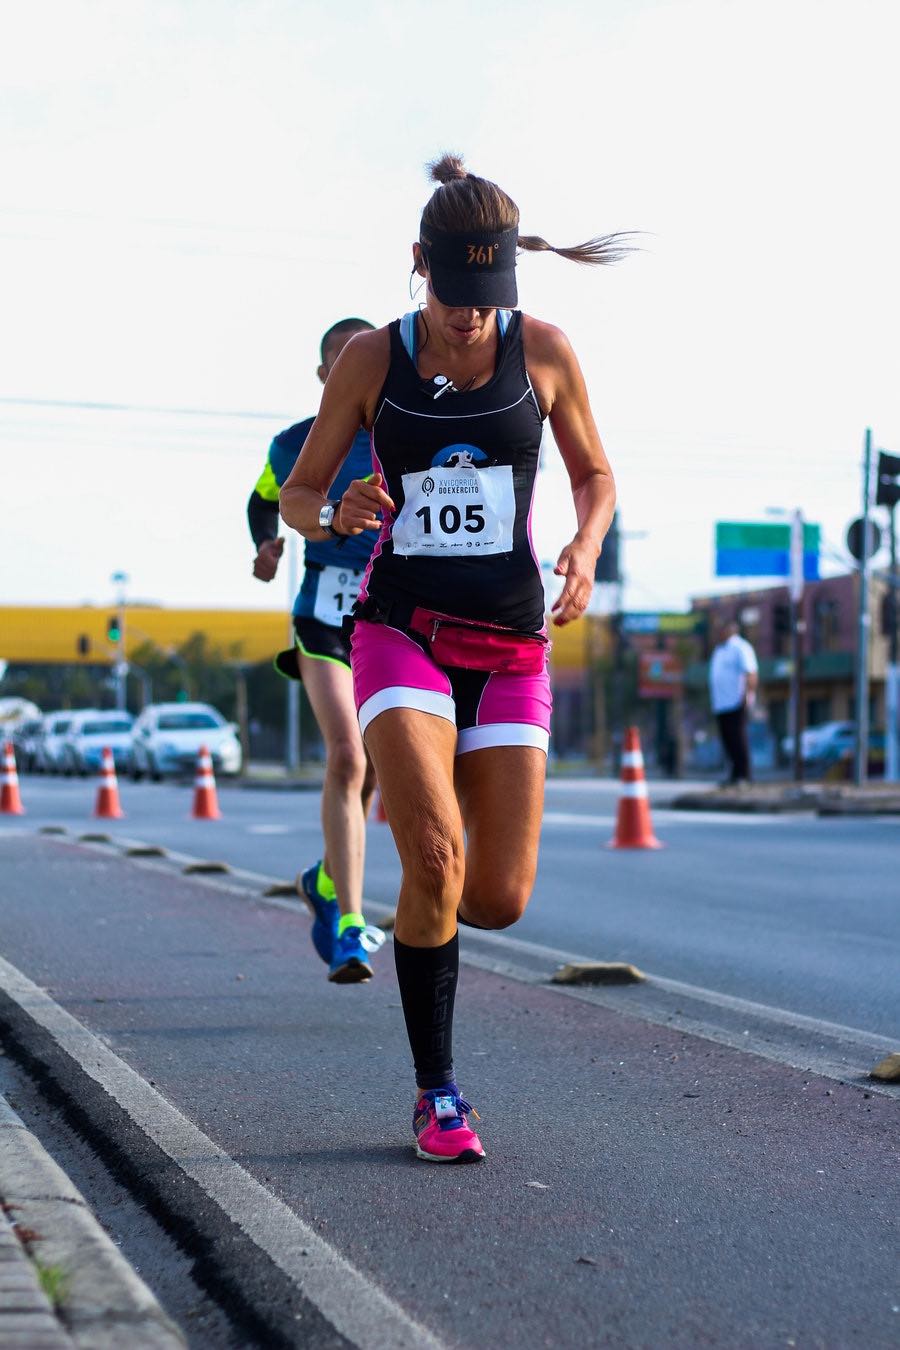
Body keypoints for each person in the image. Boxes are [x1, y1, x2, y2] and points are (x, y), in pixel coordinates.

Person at [280, 154, 623, 1163]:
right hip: (401, 631)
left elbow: (597, 474)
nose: (472, 317)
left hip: (514, 647)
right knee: (432, 859)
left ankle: (427, 873)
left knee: (494, 897)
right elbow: (300, 494)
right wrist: (329, 509)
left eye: (490, 299)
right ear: (418, 267)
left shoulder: (547, 353)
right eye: (454, 295)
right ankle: (438, 1096)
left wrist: (584, 546)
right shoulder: (371, 363)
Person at [248, 317, 381, 983]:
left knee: (379, 763)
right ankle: (352, 926)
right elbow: (262, 499)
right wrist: (265, 545)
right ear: (327, 374)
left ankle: (325, 879)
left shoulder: (402, 434)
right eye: (341, 360)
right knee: (348, 754)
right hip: (323, 618)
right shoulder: (295, 444)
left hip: (388, 619)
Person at [709, 618, 759, 785]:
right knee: (727, 739)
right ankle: (734, 774)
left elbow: (750, 672)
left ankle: (744, 775)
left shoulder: (741, 647)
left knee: (738, 738)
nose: (717, 633)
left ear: (730, 629)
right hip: (721, 703)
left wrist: (747, 696)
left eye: (721, 629)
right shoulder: (719, 649)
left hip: (736, 702)